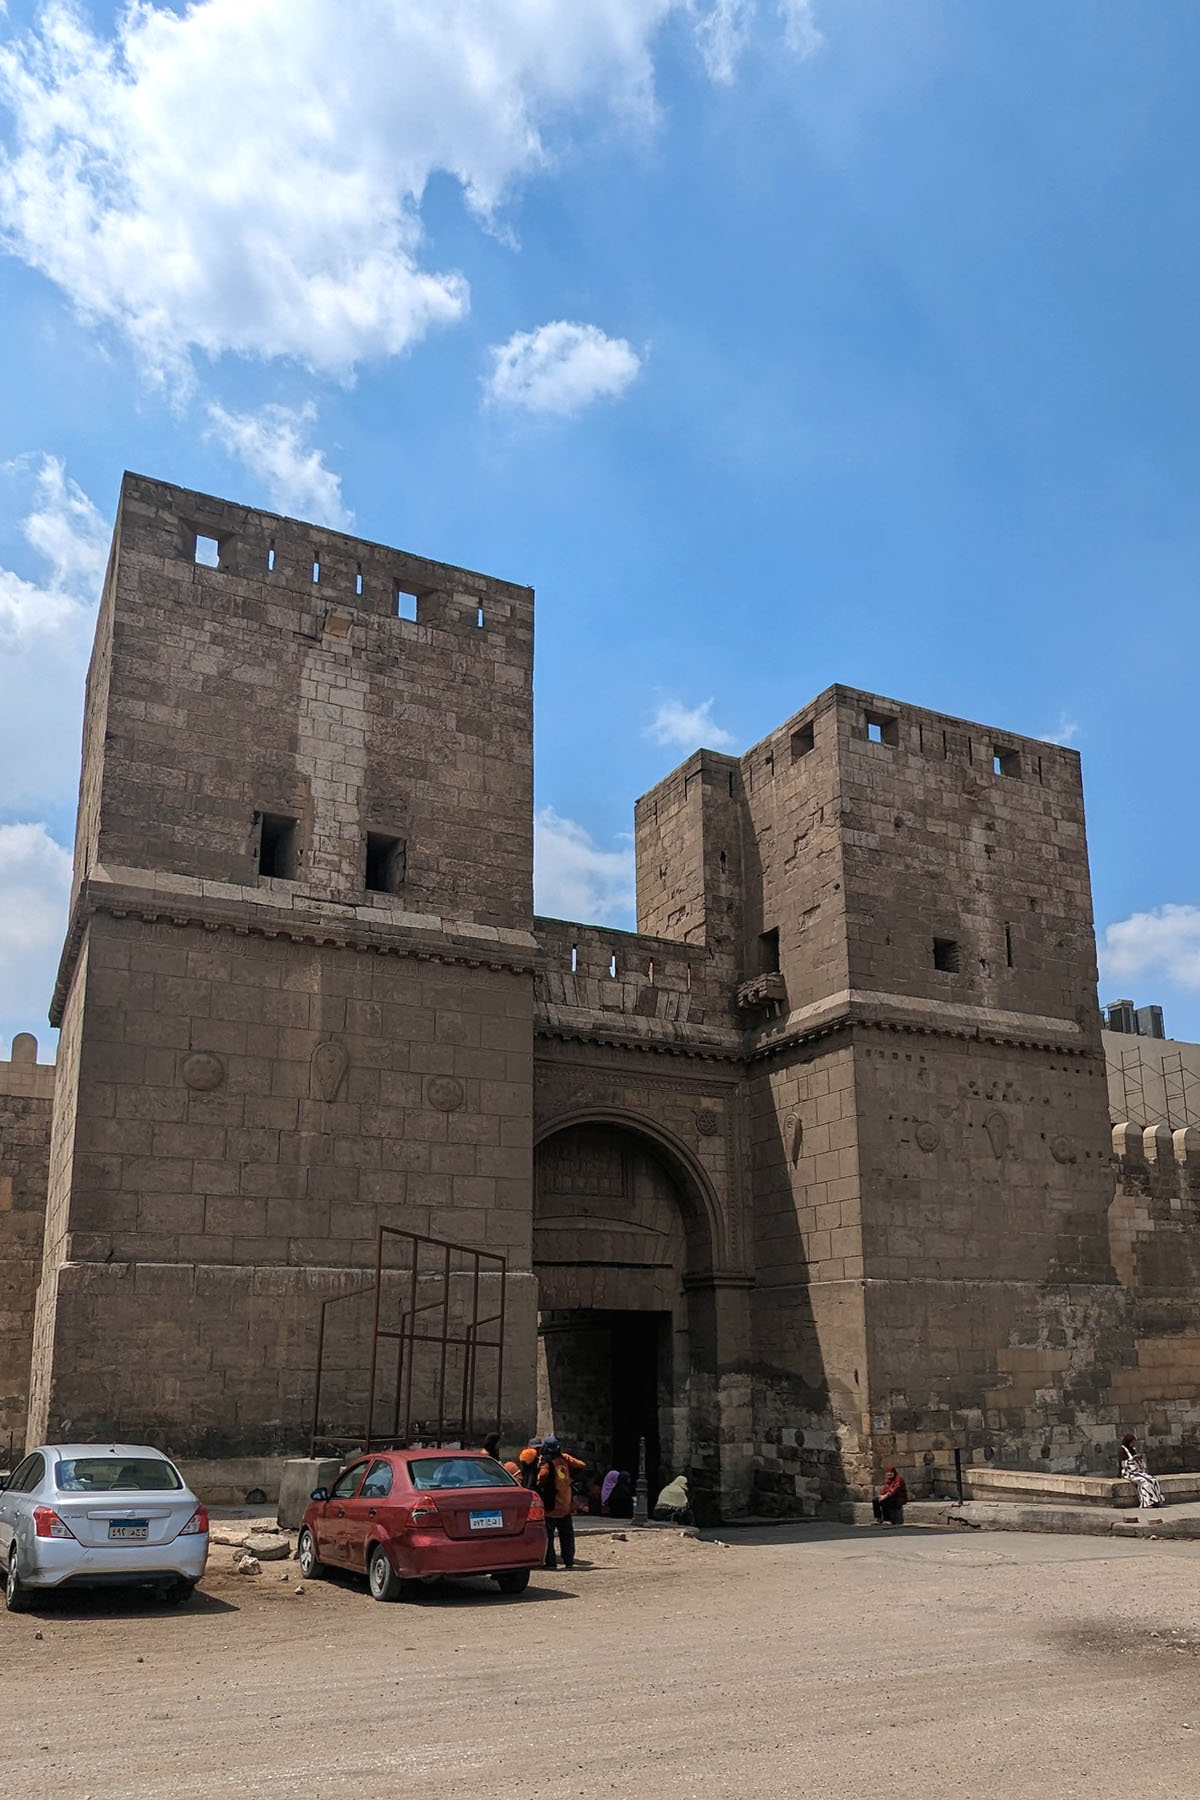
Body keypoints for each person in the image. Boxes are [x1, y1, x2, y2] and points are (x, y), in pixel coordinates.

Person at [535, 1434, 586, 1570]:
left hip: (552, 1506)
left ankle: (551, 1562)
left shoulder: (547, 1461)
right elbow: (581, 1465)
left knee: (549, 1536)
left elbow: (542, 1476)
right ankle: (569, 1560)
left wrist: (539, 1481)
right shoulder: (564, 1460)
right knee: (567, 1535)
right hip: (565, 1505)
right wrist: (566, 1457)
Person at [1119, 1434, 1164, 1509]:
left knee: (1153, 1480)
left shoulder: (1132, 1449)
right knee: (1145, 1482)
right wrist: (1132, 1459)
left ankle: (1156, 1500)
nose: (1134, 1444)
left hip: (1137, 1471)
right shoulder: (1121, 1450)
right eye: (1132, 1442)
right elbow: (1123, 1463)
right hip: (1128, 1472)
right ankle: (1147, 1502)